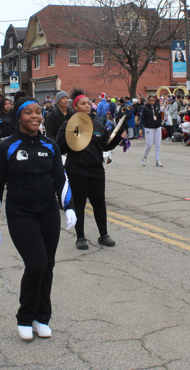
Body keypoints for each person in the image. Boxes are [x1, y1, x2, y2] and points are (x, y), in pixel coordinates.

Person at [0, 97, 76, 340]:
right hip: (21, 213)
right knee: (36, 264)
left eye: (38, 112)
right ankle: (25, 317)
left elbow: (61, 179)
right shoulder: (6, 147)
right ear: (18, 117)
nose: (35, 116)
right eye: (29, 113)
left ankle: (41, 318)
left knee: (48, 266)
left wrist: (68, 206)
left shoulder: (50, 145)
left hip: (48, 212)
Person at [56, 89, 126, 251]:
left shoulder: (97, 125)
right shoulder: (68, 126)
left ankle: (104, 235)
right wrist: (73, 137)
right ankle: (80, 237)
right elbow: (59, 148)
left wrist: (118, 136)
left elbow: (105, 145)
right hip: (76, 170)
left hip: (96, 170)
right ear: (75, 107)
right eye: (83, 103)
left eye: (88, 103)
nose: (87, 106)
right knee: (79, 204)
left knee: (99, 203)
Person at [141, 96, 163, 167]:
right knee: (149, 144)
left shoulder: (157, 107)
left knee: (158, 144)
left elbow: (160, 116)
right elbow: (142, 118)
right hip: (148, 127)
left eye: (153, 100)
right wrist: (140, 128)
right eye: (150, 100)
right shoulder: (145, 108)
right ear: (148, 100)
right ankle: (144, 157)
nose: (152, 102)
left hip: (157, 127)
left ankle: (157, 160)